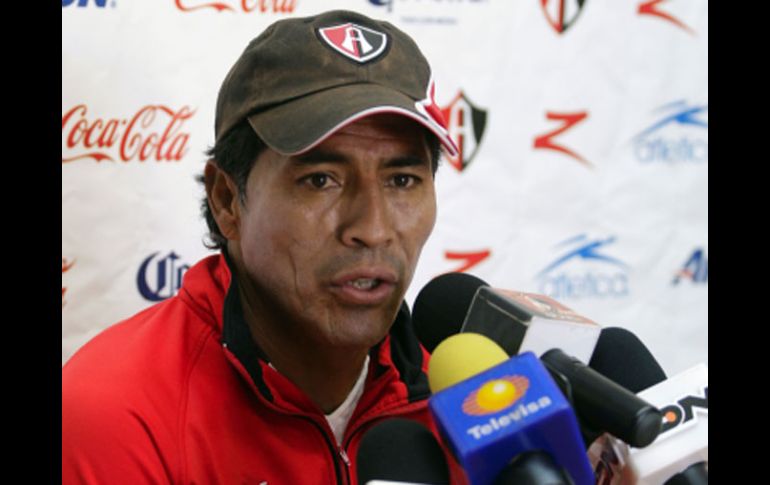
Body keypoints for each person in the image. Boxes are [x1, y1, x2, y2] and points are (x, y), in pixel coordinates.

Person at [62, 9, 461, 484]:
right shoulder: (119, 412)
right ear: (227, 200)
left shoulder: (474, 402)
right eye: (321, 180)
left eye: (401, 179)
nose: (372, 229)